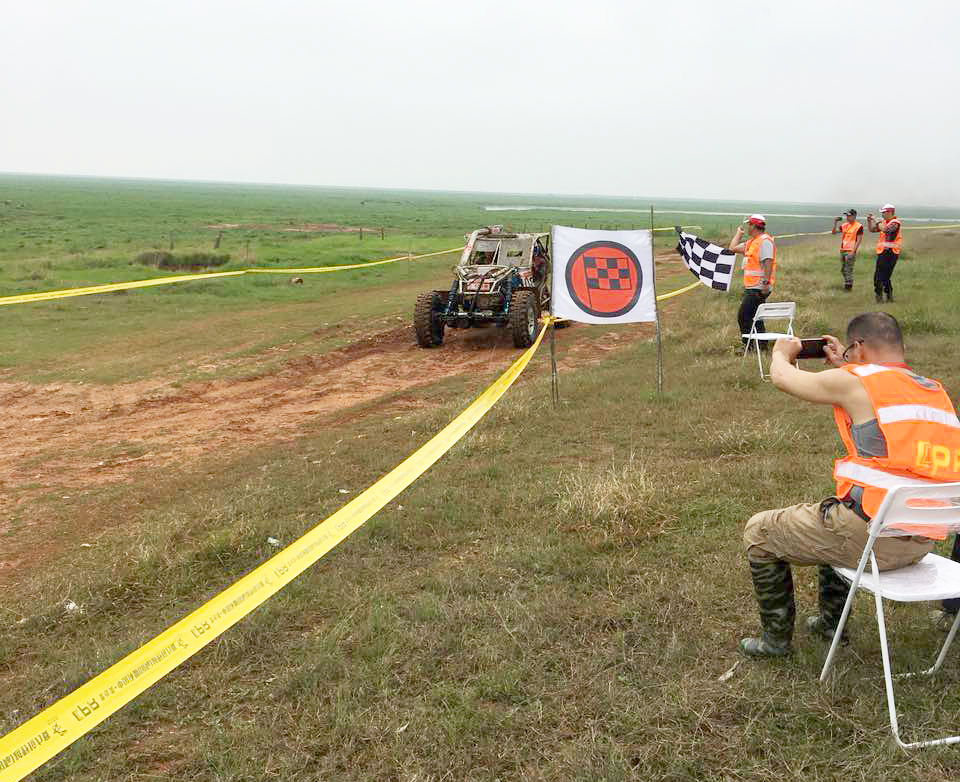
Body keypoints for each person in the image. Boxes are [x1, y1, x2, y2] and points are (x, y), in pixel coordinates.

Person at [739, 312, 960, 657]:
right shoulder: (935, 394)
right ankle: (829, 624)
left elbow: (783, 379)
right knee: (834, 513)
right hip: (921, 541)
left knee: (758, 532)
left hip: (872, 541)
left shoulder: (856, 382)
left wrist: (782, 353)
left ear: (857, 347)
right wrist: (847, 363)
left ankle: (776, 642)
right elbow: (881, 388)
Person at [729, 215, 776, 346]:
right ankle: (761, 346)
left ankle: (748, 346)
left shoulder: (765, 241)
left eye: (749, 224)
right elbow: (732, 248)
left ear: (754, 226)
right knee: (756, 317)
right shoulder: (752, 242)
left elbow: (768, 262)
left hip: (759, 287)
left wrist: (765, 283)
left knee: (743, 316)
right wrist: (739, 234)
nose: (747, 227)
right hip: (752, 287)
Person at [866, 204, 902, 303]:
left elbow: (886, 230)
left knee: (885, 276)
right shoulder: (884, 222)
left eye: (883, 212)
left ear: (890, 212)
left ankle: (887, 296)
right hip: (882, 252)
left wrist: (876, 220)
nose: (882, 214)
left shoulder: (895, 222)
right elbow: (872, 230)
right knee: (878, 276)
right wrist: (869, 221)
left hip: (891, 253)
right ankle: (880, 297)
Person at [832, 209, 863, 291]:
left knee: (848, 269)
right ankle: (847, 283)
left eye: (849, 215)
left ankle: (848, 287)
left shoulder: (858, 226)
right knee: (843, 269)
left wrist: (853, 251)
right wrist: (835, 222)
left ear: (854, 216)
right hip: (843, 250)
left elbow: (859, 240)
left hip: (850, 251)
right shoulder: (845, 225)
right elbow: (834, 232)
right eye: (847, 215)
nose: (847, 217)